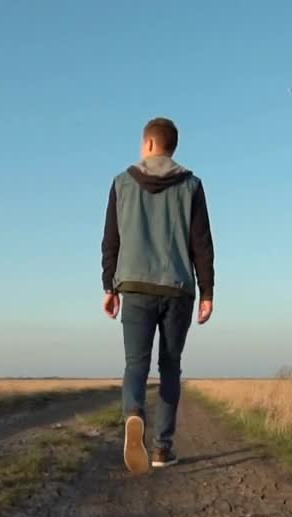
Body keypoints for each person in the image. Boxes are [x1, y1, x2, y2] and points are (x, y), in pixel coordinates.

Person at [101, 117, 215, 474]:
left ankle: (134, 413)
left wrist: (109, 286)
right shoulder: (192, 185)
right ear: (172, 146)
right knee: (169, 367)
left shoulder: (121, 183)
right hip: (178, 289)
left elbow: (111, 240)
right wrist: (208, 290)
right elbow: (202, 244)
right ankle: (162, 449)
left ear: (148, 144)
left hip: (133, 286)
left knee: (136, 364)